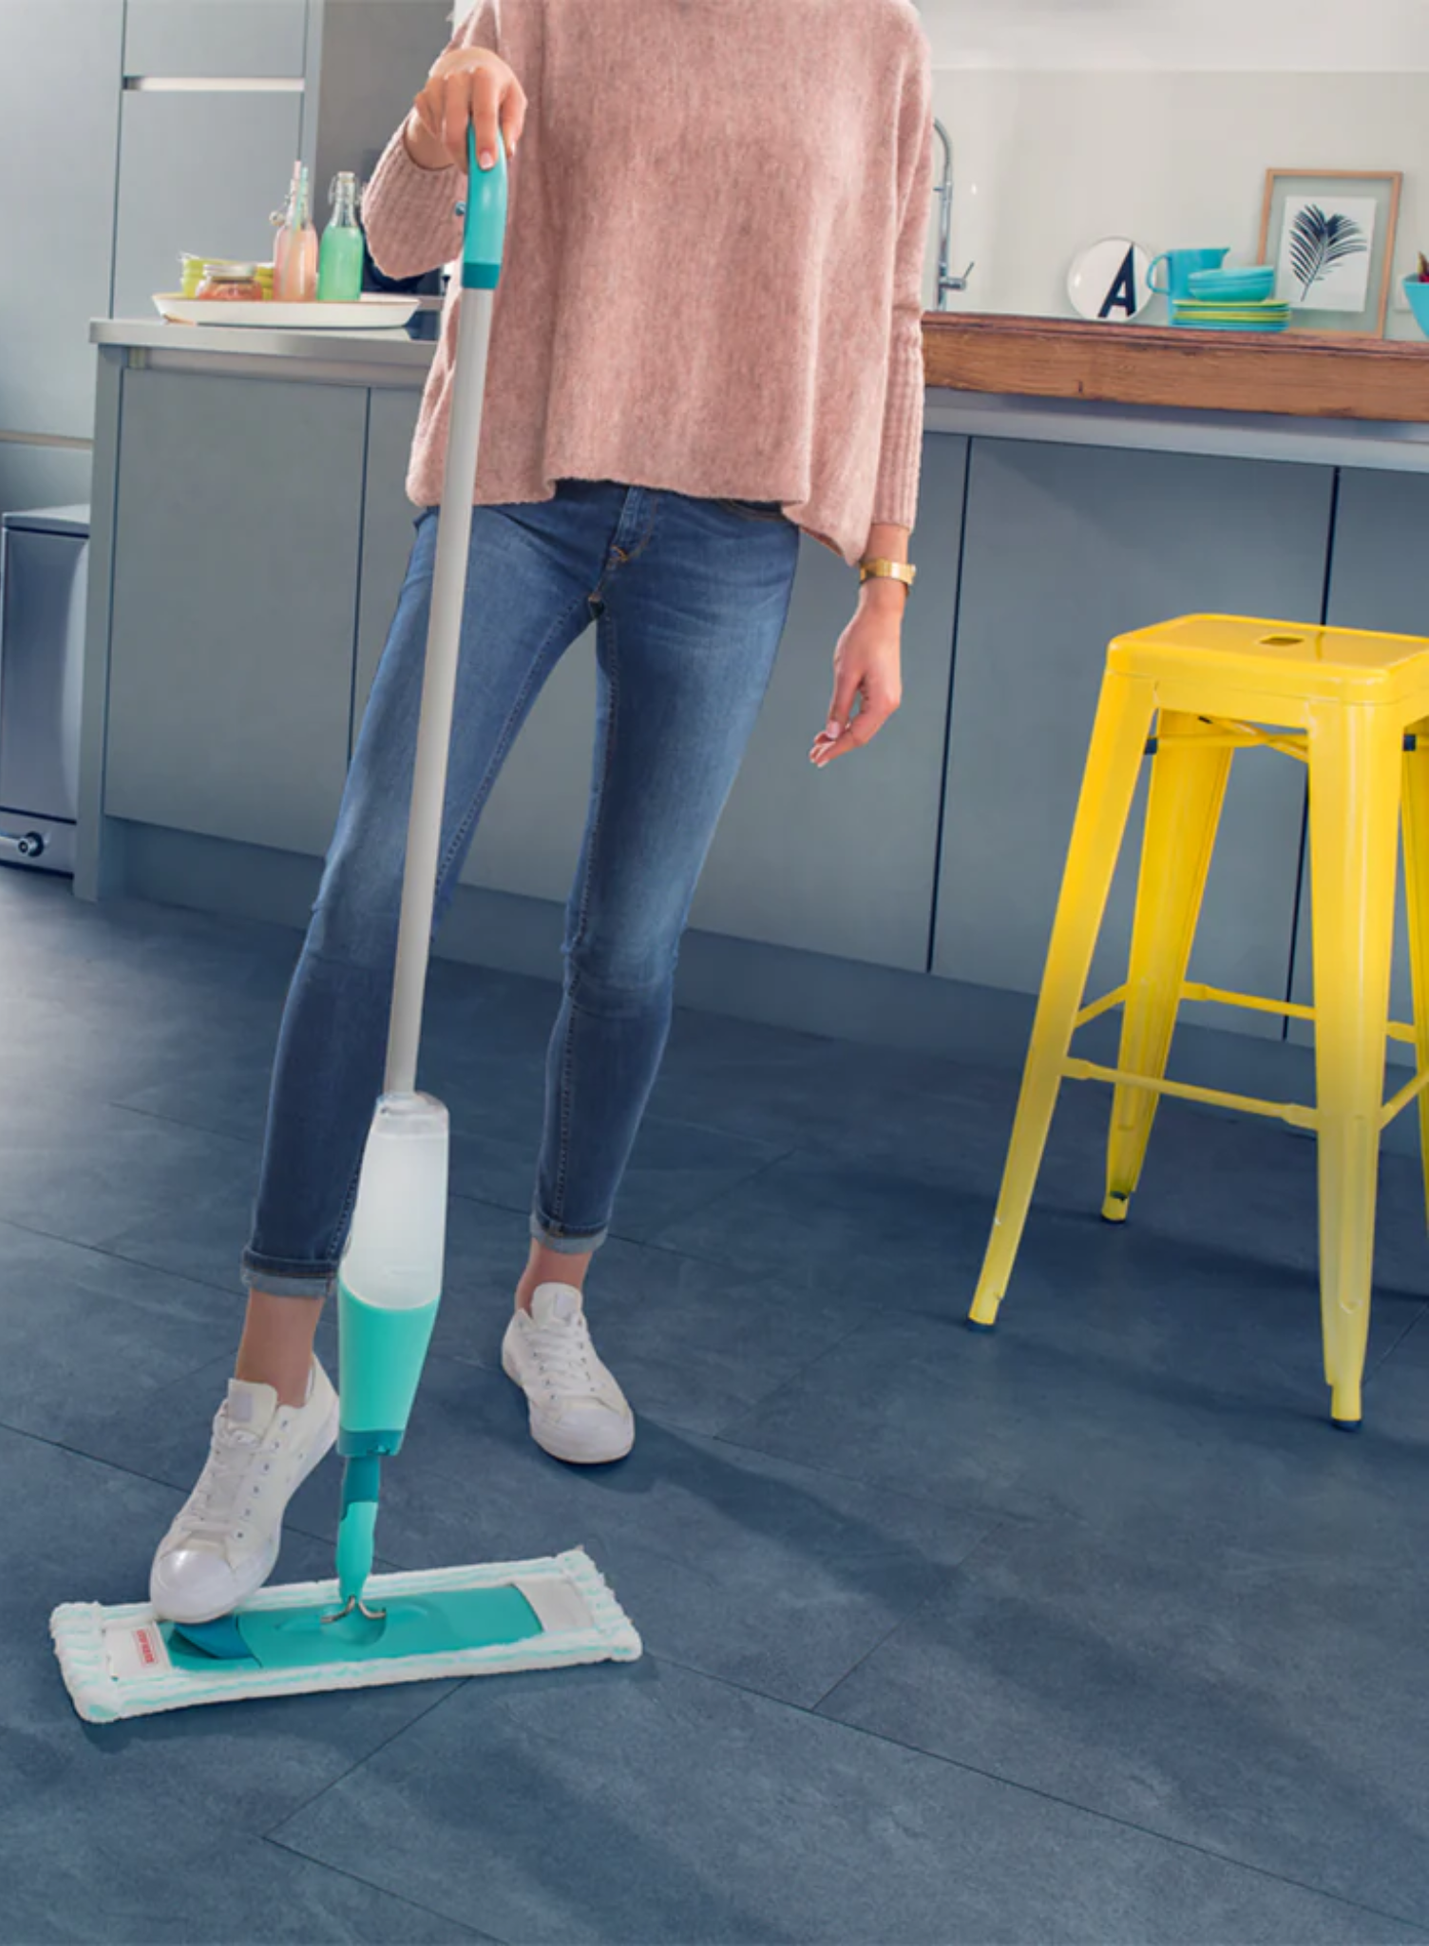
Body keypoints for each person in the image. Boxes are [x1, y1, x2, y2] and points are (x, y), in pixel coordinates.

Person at [149, 0, 935, 1624]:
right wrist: (438, 119)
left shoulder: (874, 36)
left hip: (728, 526)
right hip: (519, 488)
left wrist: (885, 576)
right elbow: (390, 243)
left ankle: (549, 1298)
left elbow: (885, 314)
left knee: (628, 943)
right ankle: (266, 1397)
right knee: (372, 899)